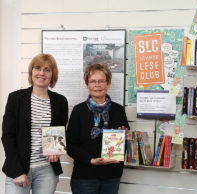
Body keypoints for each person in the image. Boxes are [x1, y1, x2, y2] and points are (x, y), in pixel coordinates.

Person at [1, 53, 68, 194]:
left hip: (47, 169)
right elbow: (7, 136)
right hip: (18, 168)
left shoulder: (60, 101)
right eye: (37, 68)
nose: (41, 73)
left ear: (52, 75)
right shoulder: (16, 98)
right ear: (31, 71)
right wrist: (17, 171)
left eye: (47, 70)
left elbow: (59, 132)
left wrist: (56, 151)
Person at [66, 63, 129, 194]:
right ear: (87, 85)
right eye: (93, 81)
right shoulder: (78, 111)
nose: (97, 85)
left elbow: (124, 145)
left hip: (111, 176)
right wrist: (91, 160)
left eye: (101, 81)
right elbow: (71, 145)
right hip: (84, 177)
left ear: (108, 84)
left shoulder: (118, 110)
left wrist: (125, 139)